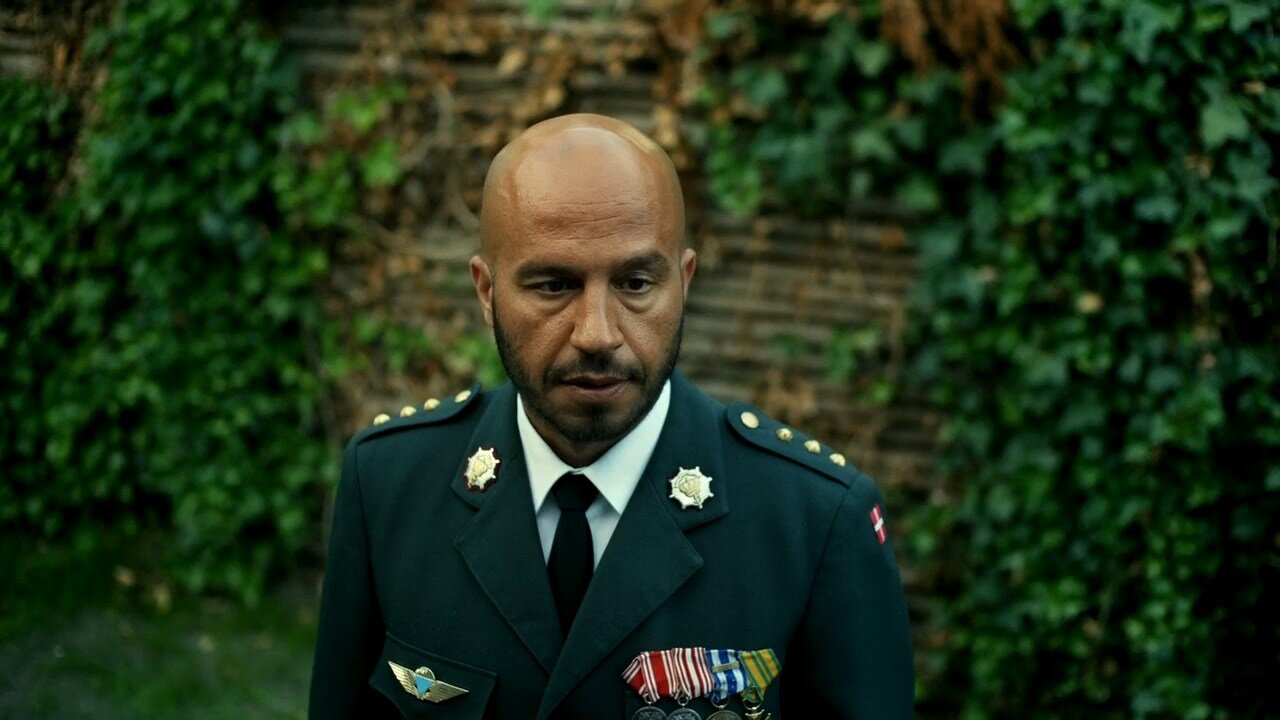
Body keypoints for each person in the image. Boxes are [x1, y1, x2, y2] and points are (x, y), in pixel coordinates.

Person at [309, 114, 913, 719]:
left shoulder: (814, 520)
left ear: (684, 283)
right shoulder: (388, 485)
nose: (597, 334)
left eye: (636, 283)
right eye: (553, 285)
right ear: (487, 292)